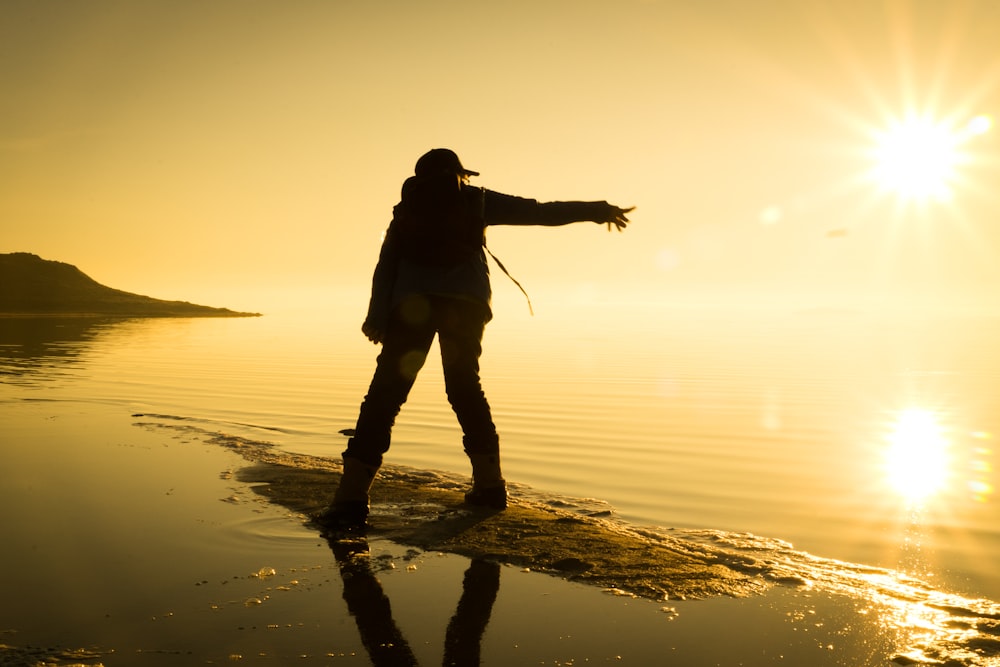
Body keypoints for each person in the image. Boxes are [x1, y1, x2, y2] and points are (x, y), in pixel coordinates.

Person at [317, 148, 632, 529]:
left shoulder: (404, 211)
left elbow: (385, 265)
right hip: (465, 305)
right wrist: (599, 210)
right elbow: (540, 212)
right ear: (459, 175)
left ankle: (351, 498)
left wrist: (376, 316)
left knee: (386, 395)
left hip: (411, 307)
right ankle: (489, 486)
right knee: (465, 388)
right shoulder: (477, 200)